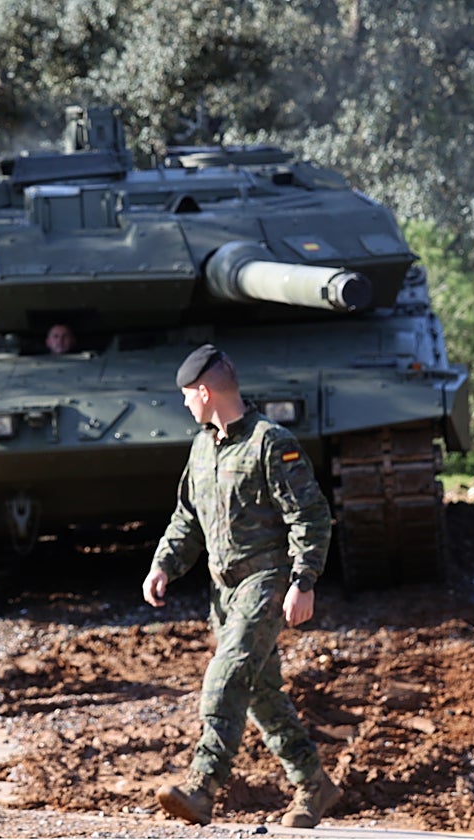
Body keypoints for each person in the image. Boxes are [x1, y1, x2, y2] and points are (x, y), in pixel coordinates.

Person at [142, 343, 342, 828]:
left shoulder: (270, 443)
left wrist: (303, 580)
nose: (186, 404)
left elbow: (310, 516)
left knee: (225, 677)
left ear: (205, 392)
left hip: (266, 581)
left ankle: (201, 787)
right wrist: (163, 564)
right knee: (261, 694)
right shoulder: (202, 445)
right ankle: (315, 786)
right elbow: (187, 517)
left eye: (189, 395)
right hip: (223, 593)